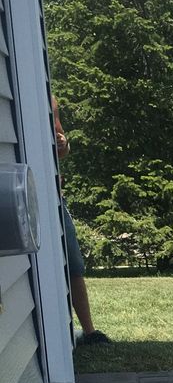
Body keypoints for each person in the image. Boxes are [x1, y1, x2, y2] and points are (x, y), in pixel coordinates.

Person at [51, 98, 107, 346]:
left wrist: (64, 143)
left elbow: (62, 151)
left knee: (73, 262)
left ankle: (89, 332)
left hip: (55, 198)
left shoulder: (50, 99)